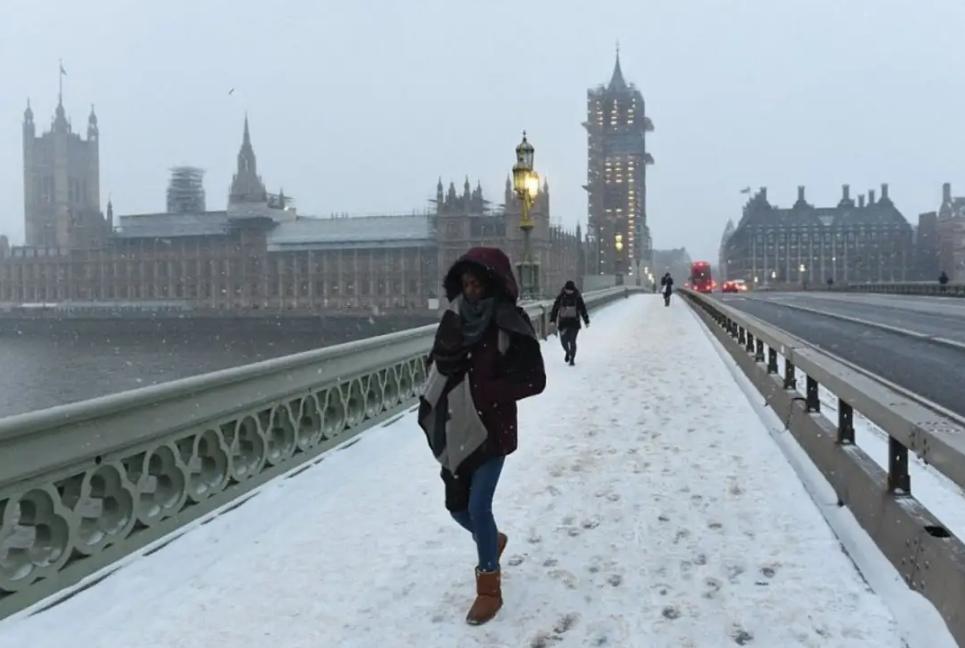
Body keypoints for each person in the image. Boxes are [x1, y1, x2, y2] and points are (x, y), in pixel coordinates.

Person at [417, 247, 546, 626]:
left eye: (477, 283)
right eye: (466, 284)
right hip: (455, 426)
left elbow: (535, 380)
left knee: (478, 507)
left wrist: (489, 392)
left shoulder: (509, 322)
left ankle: (489, 589)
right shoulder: (453, 321)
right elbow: (438, 360)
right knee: (457, 509)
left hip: (491, 429)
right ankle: (492, 539)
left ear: (493, 283)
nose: (471, 291)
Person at [549, 280, 589, 366]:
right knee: (564, 342)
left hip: (574, 322)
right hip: (563, 323)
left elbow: (582, 308)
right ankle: (568, 351)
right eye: (567, 290)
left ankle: (572, 358)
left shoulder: (577, 297)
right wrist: (552, 320)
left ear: (573, 290)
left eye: (570, 290)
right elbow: (555, 308)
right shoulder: (561, 297)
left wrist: (586, 320)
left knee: (572, 341)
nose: (569, 292)